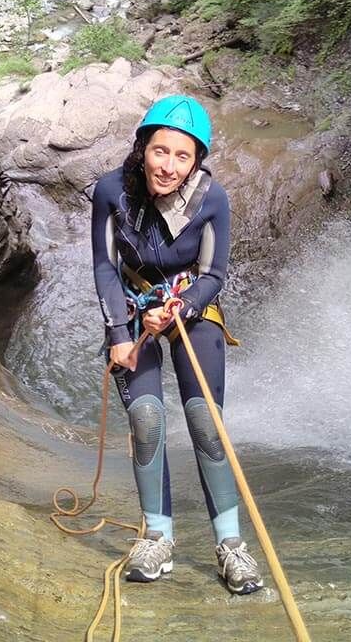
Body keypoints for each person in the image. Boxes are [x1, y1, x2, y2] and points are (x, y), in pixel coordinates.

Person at [90, 94, 263, 595]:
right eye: (160, 151)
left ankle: (231, 545)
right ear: (143, 147)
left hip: (191, 310)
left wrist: (180, 308)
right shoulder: (109, 192)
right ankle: (157, 537)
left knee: (207, 423)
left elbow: (213, 275)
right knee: (146, 420)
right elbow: (104, 265)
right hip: (128, 308)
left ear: (196, 161)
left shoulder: (212, 199)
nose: (168, 166)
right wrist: (121, 335)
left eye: (182, 156)